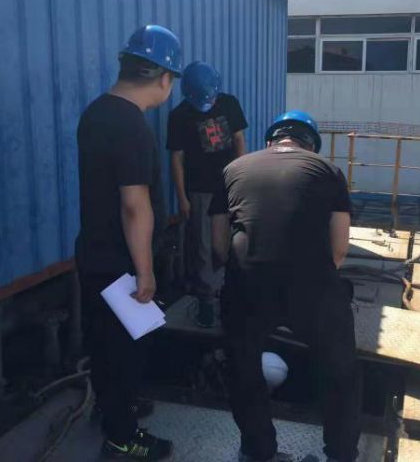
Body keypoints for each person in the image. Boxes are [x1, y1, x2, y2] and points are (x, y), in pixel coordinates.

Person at [209, 111, 361, 462]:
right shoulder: (328, 170)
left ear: (270, 142)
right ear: (311, 146)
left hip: (248, 283)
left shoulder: (233, 169)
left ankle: (258, 452)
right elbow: (339, 248)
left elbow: (218, 245)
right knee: (340, 372)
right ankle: (340, 455)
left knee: (243, 368)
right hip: (313, 286)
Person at [75, 24, 182, 460]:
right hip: (121, 261)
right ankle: (122, 437)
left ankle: (111, 407)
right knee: (126, 350)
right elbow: (134, 206)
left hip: (93, 252)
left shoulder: (96, 113)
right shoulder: (132, 126)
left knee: (104, 343)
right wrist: (145, 271)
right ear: (164, 78)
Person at [167, 61, 248, 328]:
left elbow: (239, 141)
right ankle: (207, 300)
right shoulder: (179, 116)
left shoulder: (229, 104)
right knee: (204, 247)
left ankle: (234, 293)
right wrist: (182, 197)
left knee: (233, 241)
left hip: (229, 186)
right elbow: (177, 159)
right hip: (200, 190)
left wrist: (241, 179)